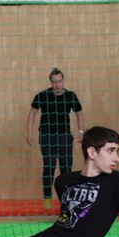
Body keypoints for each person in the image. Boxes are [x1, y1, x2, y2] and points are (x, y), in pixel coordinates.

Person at [26, 68, 86, 211]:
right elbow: (32, 113)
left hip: (64, 136)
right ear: (50, 82)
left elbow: (79, 112)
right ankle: (47, 199)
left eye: (59, 81)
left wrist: (81, 131)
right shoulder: (42, 95)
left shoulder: (70, 95)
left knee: (66, 169)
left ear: (63, 81)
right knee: (49, 167)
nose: (57, 85)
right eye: (54, 82)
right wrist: (29, 133)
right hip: (46, 136)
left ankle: (66, 200)